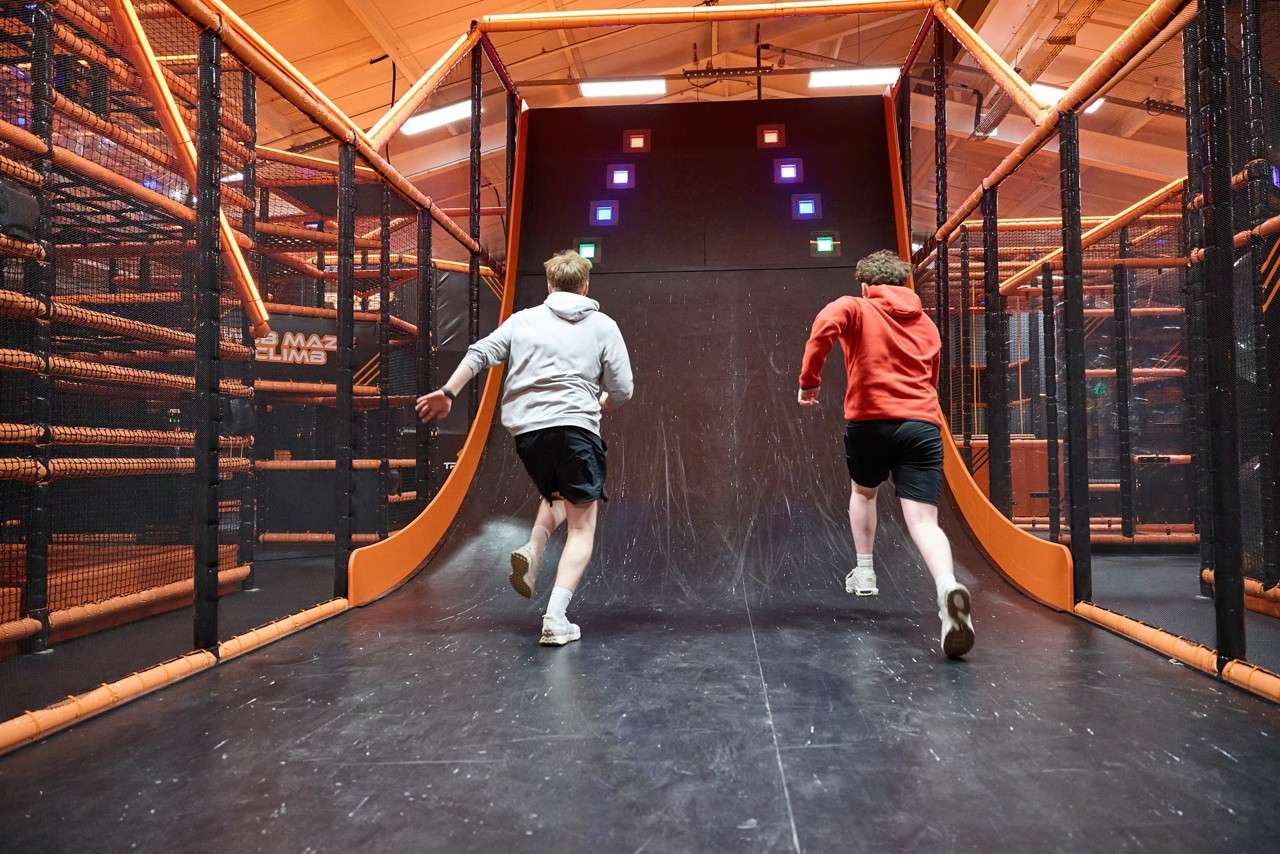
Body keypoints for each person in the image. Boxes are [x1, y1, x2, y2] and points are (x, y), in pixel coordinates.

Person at [416, 249, 633, 647]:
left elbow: (480, 353)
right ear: (586, 286)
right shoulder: (603, 325)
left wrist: (448, 392)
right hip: (576, 429)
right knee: (583, 529)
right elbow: (624, 388)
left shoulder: (523, 320)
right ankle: (555, 617)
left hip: (528, 435)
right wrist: (603, 403)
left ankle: (533, 548)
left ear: (549, 285)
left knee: (556, 495)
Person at [796, 249, 974, 659]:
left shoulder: (855, 307)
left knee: (864, 492)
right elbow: (930, 376)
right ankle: (948, 587)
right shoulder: (927, 324)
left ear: (866, 285)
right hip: (922, 426)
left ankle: (864, 571)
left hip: (870, 423)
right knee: (925, 522)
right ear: (903, 284)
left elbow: (825, 326)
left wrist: (810, 380)